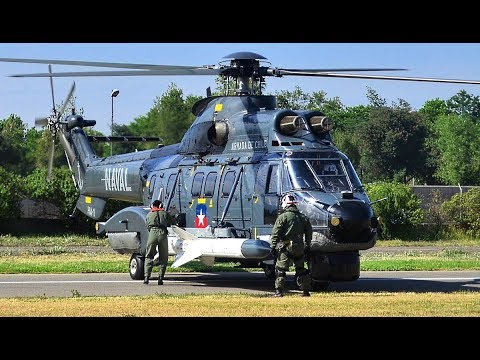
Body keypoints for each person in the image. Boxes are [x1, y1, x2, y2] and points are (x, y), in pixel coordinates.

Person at [270, 194, 313, 297]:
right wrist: (307, 245)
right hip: (299, 246)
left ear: (285, 204)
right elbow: (309, 233)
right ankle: (306, 291)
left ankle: (279, 292)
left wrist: (273, 246)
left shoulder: (282, 217)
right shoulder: (303, 217)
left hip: (286, 246)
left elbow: (276, 233)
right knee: (301, 270)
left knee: (281, 270)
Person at [144, 199, 174, 285]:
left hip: (152, 233)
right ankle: (160, 278)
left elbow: (147, 226)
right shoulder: (165, 213)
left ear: (152, 206)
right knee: (163, 257)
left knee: (149, 255)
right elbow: (173, 222)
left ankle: (146, 277)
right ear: (161, 206)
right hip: (162, 234)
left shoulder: (149, 214)